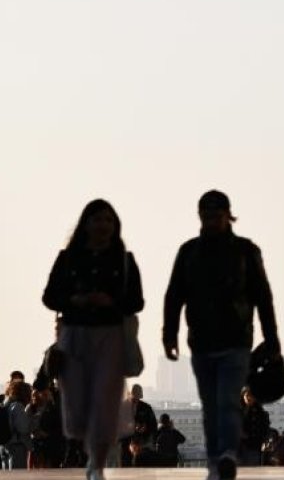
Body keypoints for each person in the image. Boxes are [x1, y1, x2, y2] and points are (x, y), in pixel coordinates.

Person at [163, 190, 281, 480]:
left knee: (224, 401)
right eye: (207, 215)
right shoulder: (235, 252)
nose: (212, 221)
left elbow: (263, 298)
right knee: (214, 404)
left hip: (232, 342)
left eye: (216, 215)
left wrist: (272, 340)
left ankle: (224, 454)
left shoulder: (200, 252)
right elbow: (174, 296)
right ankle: (220, 457)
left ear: (228, 216)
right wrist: (170, 333)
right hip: (208, 341)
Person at [42, 199, 145, 480]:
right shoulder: (68, 259)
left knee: (106, 402)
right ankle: (91, 453)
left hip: (110, 337)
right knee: (77, 405)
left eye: (108, 221)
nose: (103, 225)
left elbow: (136, 301)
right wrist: (76, 299)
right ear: (86, 224)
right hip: (74, 337)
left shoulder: (124, 260)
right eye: (98, 219)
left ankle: (96, 462)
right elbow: (49, 297)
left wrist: (111, 302)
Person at [118, 384, 156, 467]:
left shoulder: (146, 408)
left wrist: (145, 429)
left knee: (141, 467)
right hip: (126, 444)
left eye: (137, 397)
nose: (136, 400)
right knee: (126, 466)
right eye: (134, 397)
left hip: (142, 444)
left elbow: (153, 425)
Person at [29, 387, 65, 469]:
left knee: (50, 467)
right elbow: (27, 424)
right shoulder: (31, 408)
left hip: (51, 443)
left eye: (46, 394)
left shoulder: (53, 409)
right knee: (38, 467)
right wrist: (35, 432)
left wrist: (48, 434)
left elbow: (59, 426)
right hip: (36, 443)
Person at [2, 382, 32, 469]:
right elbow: (23, 428)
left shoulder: (6, 405)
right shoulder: (18, 406)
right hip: (16, 446)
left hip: (4, 445)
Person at [239, 388, 270, 466]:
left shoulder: (261, 413)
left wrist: (264, 441)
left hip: (254, 446)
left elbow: (265, 429)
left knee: (252, 469)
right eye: (247, 395)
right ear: (243, 396)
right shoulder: (238, 411)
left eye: (251, 396)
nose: (249, 398)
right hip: (239, 447)